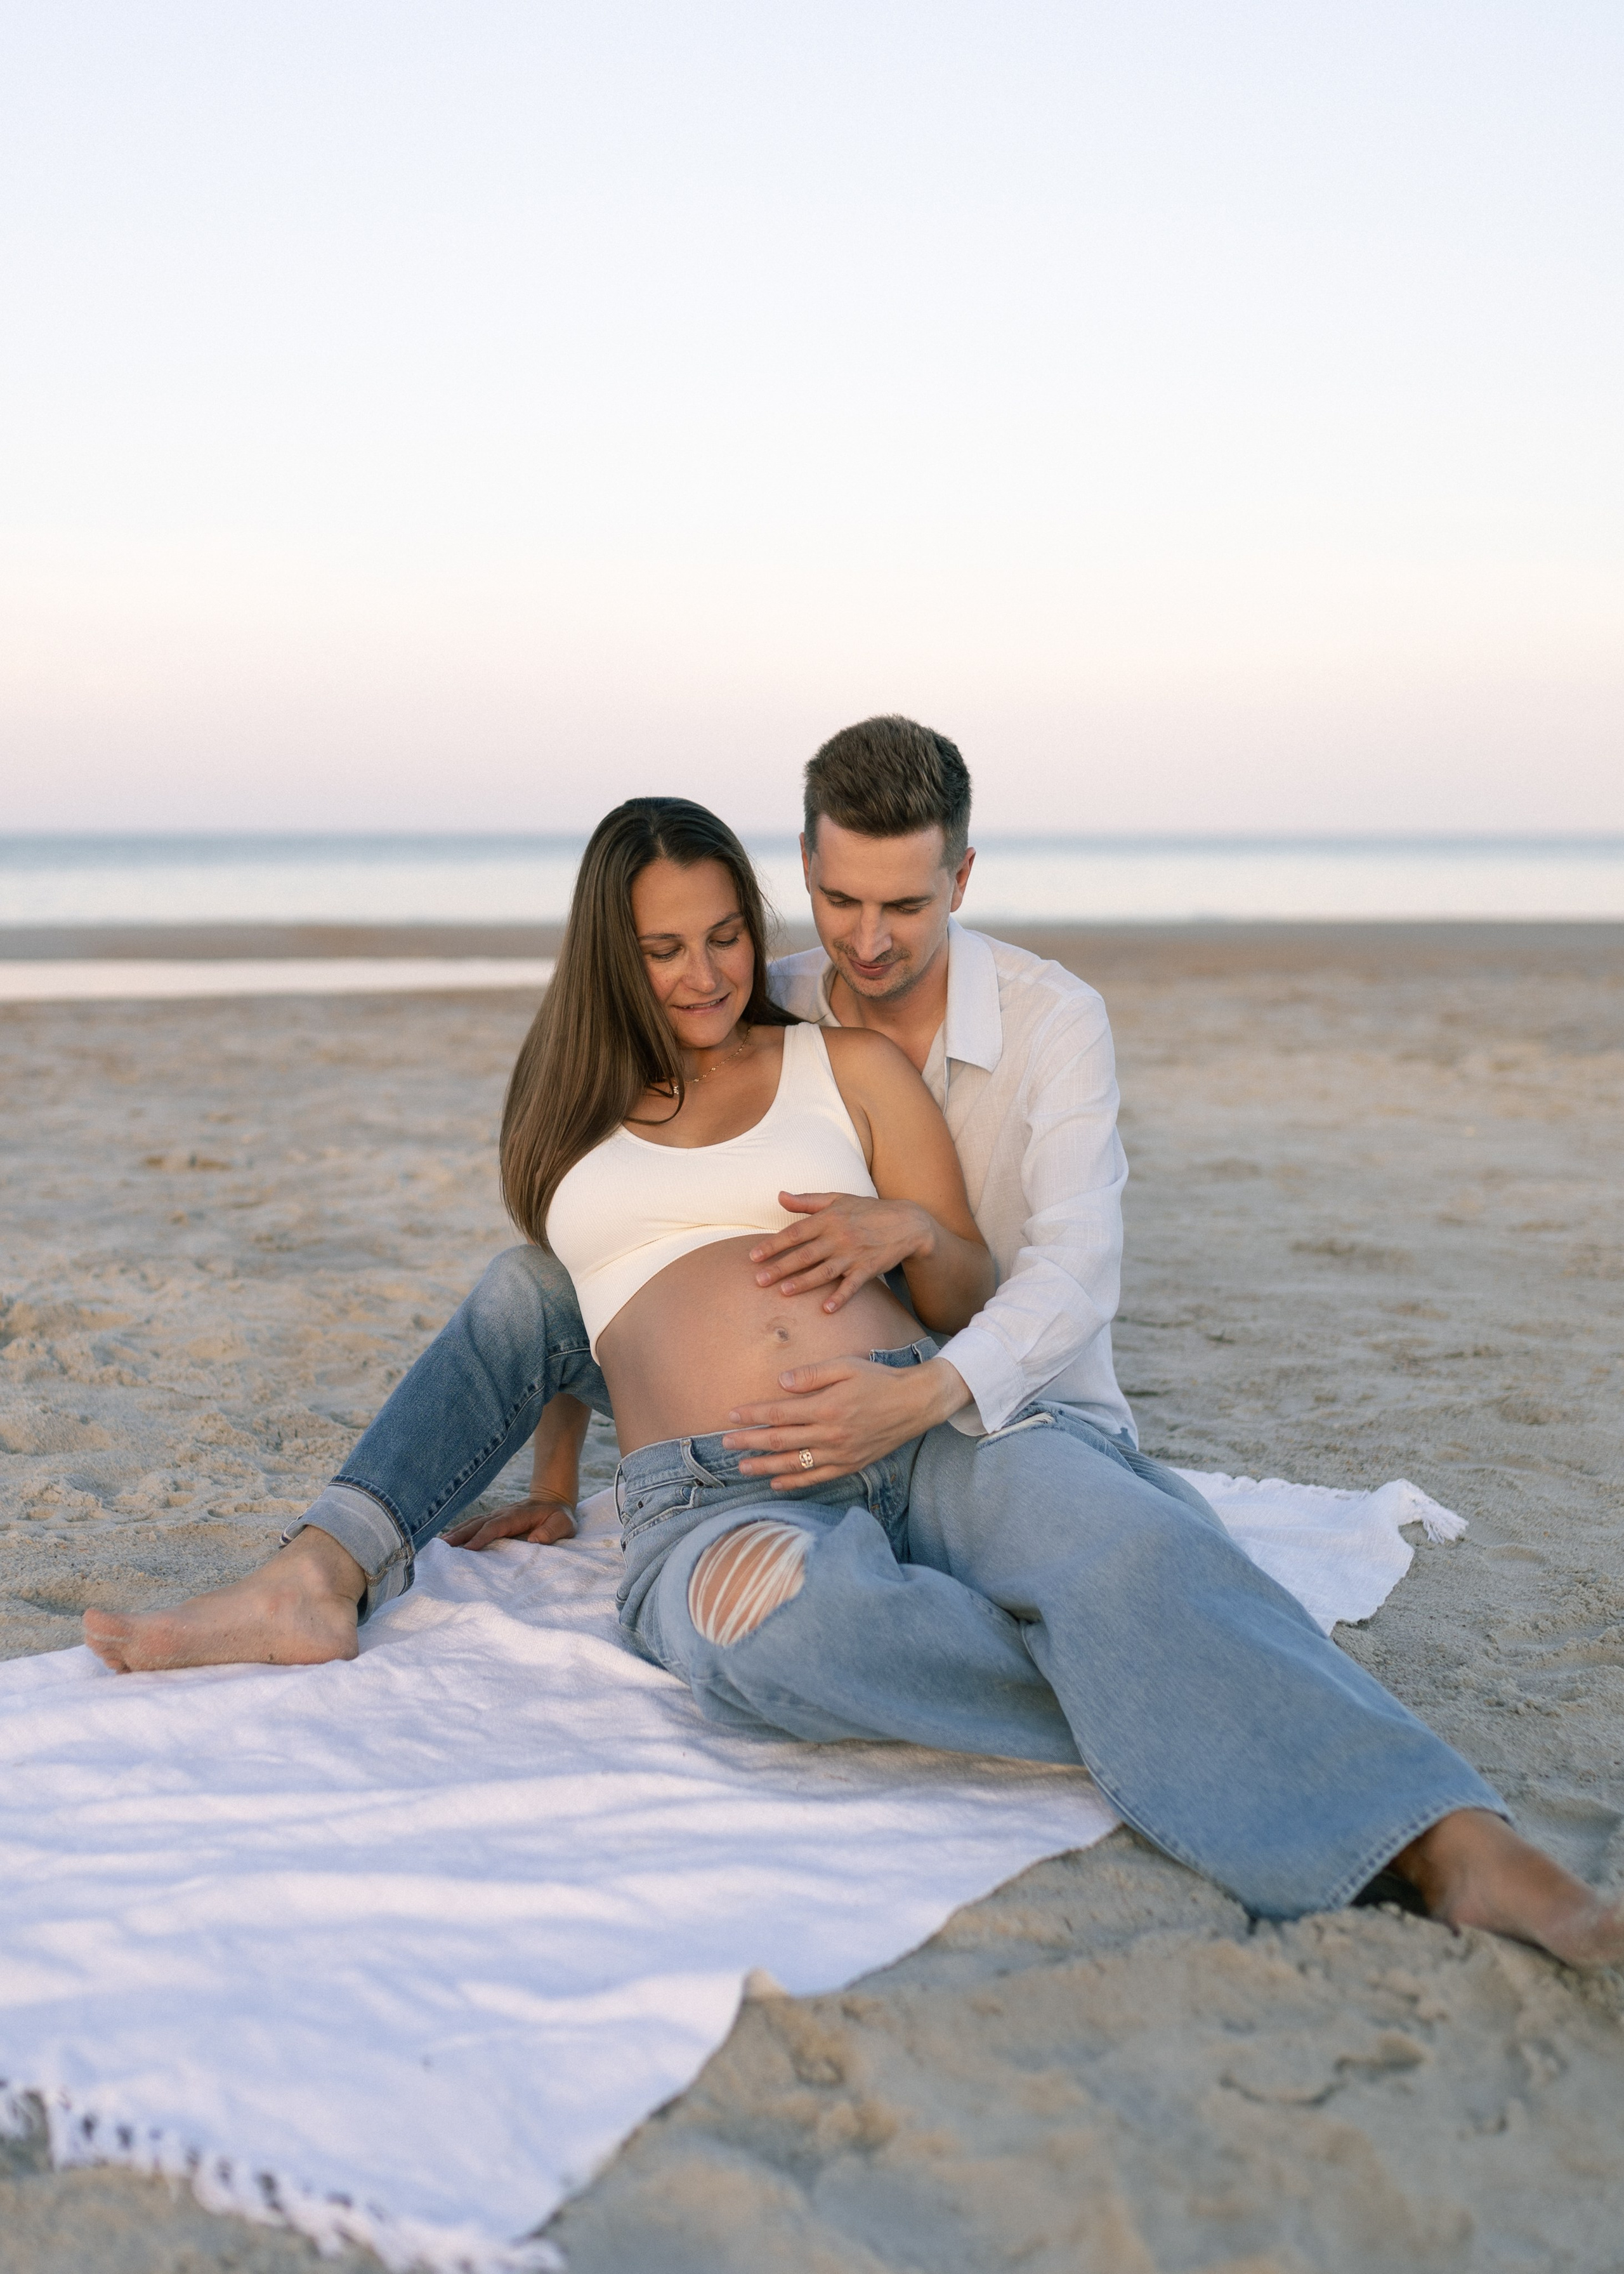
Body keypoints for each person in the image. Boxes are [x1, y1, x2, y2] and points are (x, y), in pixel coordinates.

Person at [86, 796, 1624, 1967]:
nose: (703, 973)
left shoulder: (848, 1066)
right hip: (717, 1496)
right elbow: (573, 1317)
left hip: (928, 1420)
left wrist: (912, 1233)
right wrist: (556, 1487)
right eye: (662, 948)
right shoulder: (566, 1127)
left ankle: (1453, 1843)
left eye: (723, 935)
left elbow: (965, 1285)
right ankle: (1172, 1695)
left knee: (1136, 1550)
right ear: (609, 957)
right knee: (783, 1639)